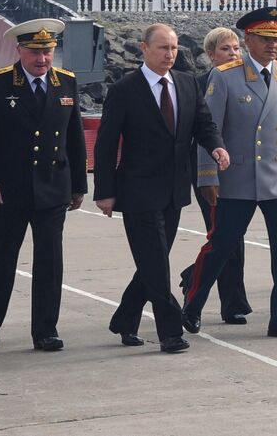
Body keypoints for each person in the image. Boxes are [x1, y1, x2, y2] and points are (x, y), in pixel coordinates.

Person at [93, 23, 230, 353]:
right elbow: (106, 143)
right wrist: (104, 191)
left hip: (174, 189)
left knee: (151, 262)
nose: (170, 54)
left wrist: (216, 146)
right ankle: (171, 331)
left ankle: (125, 318)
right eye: (162, 48)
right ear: (144, 49)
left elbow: (203, 123)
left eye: (173, 48)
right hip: (137, 189)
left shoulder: (186, 84)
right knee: (156, 264)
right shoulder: (126, 89)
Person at [181, 7, 277, 339]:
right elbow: (209, 130)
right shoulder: (224, 76)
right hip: (236, 178)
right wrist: (208, 175)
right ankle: (192, 306)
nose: (273, 46)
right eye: (266, 39)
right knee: (220, 247)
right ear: (248, 39)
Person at [0, 18, 87, 352]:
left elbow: (74, 138)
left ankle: (45, 330)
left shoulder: (66, 83)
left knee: (50, 260)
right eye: (35, 52)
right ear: (19, 50)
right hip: (7, 190)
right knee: (1, 257)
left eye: (47, 51)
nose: (42, 59)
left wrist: (78, 185)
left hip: (52, 187)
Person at [179, 27, 253, 325]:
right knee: (223, 236)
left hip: (240, 171)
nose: (233, 54)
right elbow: (198, 134)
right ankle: (231, 304)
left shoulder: (247, 83)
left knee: (235, 236)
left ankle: (193, 276)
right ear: (210, 55)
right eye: (225, 49)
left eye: (236, 48)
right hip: (209, 171)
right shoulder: (199, 85)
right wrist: (207, 176)